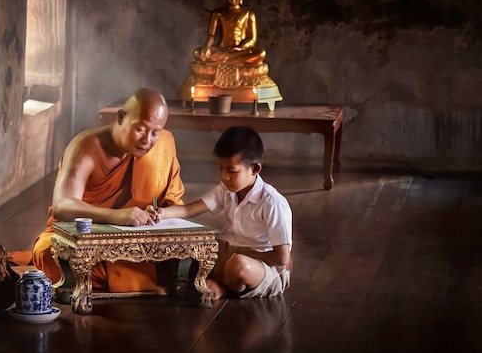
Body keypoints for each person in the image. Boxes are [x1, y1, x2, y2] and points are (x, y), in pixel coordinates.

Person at [32, 88, 185, 292]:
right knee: (51, 255)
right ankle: (141, 279)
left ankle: (126, 277)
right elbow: (62, 205)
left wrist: (157, 215)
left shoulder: (164, 144)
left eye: (155, 132)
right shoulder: (87, 146)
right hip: (85, 236)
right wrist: (115, 216)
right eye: (140, 129)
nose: (147, 140)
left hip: (137, 237)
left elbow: (171, 202)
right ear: (121, 117)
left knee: (179, 254)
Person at [147, 126, 292, 299]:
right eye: (220, 168)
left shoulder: (272, 202)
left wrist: (237, 255)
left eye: (232, 171)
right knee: (200, 244)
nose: (224, 176)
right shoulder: (226, 190)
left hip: (264, 268)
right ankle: (216, 286)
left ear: (254, 169)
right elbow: (188, 209)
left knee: (238, 266)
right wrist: (160, 213)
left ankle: (218, 287)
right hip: (234, 253)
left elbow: (282, 259)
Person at [194, 0, 266, 66]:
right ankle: (232, 60)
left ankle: (226, 60)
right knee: (197, 53)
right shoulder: (218, 13)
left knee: (261, 53)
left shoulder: (248, 13)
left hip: (240, 51)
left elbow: (252, 39)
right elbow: (211, 35)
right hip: (222, 49)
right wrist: (206, 48)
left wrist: (241, 48)